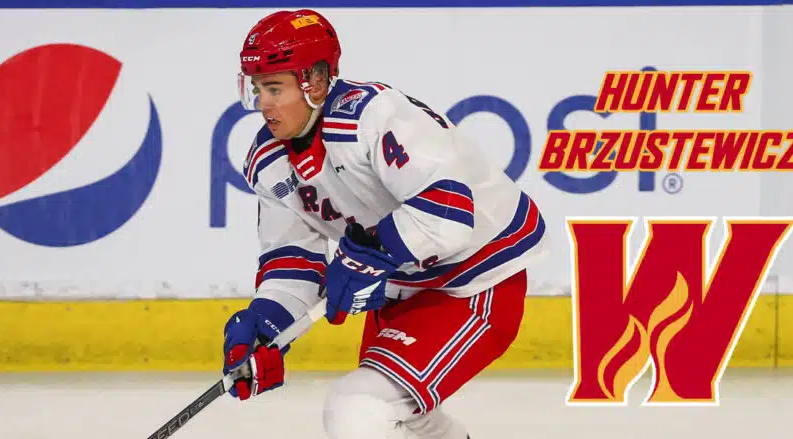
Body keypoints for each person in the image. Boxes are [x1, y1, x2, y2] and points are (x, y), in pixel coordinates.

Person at [221, 9, 550, 439]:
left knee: (359, 407)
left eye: (275, 88)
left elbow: (448, 214)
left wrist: (372, 254)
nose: (263, 104)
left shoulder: (372, 117)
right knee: (404, 419)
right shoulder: (269, 161)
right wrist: (266, 323)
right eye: (258, 88)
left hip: (473, 279)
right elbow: (293, 261)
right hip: (401, 285)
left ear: (316, 82)